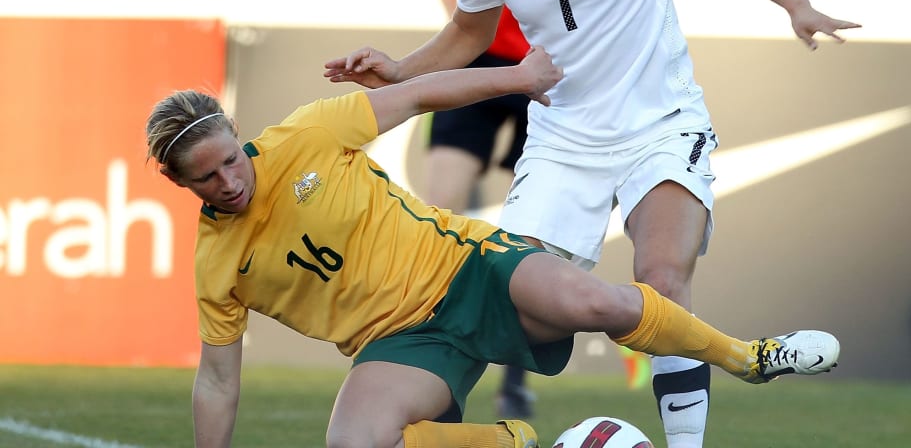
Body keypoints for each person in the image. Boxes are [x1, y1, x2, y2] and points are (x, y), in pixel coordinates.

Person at [322, 0, 858, 447]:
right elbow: (468, 34)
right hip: (562, 137)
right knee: (509, 305)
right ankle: (472, 432)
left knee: (661, 278)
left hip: (661, 122)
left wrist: (796, 4)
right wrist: (400, 70)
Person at [146, 47, 841, 448]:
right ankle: (520, 442)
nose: (230, 180)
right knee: (353, 446)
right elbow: (217, 380)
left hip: (468, 267)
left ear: (237, 135)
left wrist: (516, 79)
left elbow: (420, 96)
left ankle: (750, 358)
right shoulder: (216, 266)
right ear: (178, 183)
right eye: (206, 177)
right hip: (399, 344)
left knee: (595, 299)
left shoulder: (309, 134)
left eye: (232, 159)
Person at [424, 0, 536, 419]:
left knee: (528, 229)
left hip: (549, 69)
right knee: (434, 211)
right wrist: (468, 30)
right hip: (484, 61)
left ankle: (514, 377)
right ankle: (422, 357)